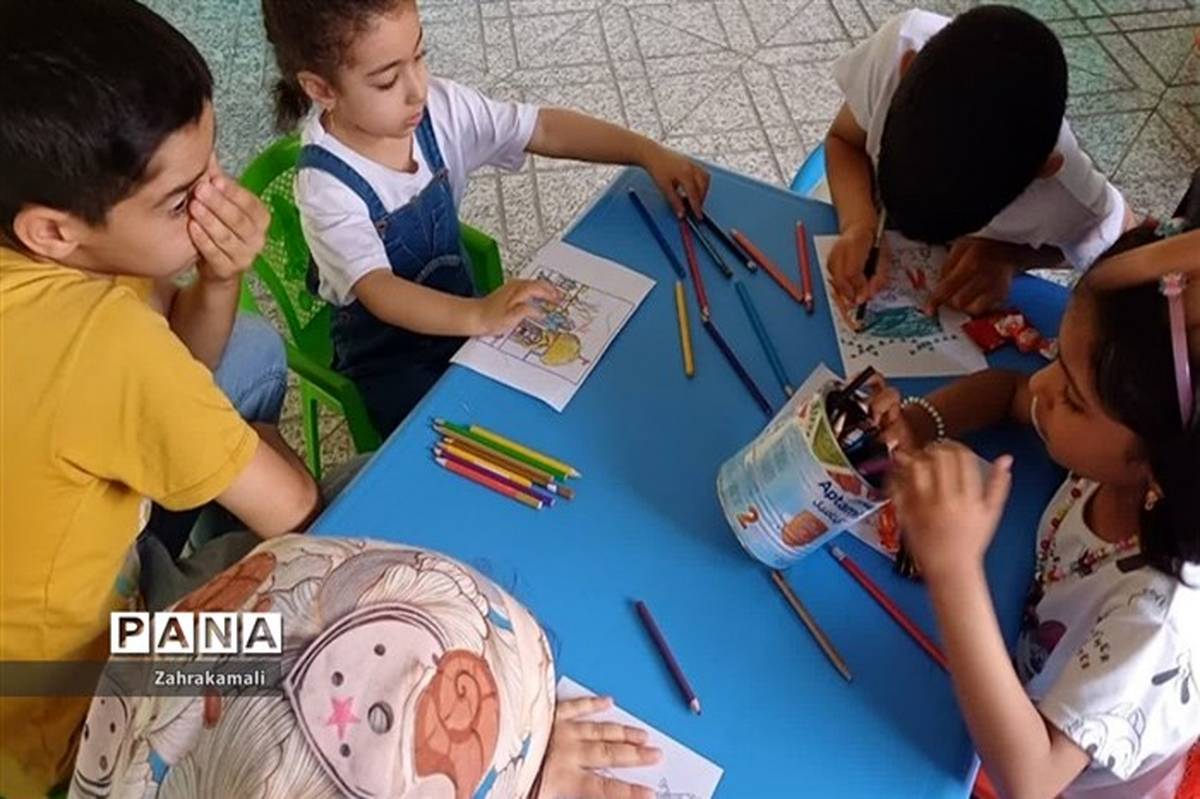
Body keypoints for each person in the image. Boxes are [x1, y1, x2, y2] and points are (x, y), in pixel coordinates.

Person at [0, 1, 321, 792]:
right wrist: (248, 446)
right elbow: (294, 508)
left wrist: (220, 276)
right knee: (310, 652)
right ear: (53, 231)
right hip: (64, 713)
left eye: (212, 168)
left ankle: (188, 517)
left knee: (249, 352)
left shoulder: (40, 231)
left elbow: (179, 361)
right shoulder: (102, 340)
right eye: (182, 201)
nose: (215, 201)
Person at [871, 172, 1200, 798]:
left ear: (1160, 464)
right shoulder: (1121, 453)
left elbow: (1031, 778)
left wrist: (955, 569)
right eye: (1057, 363)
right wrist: (918, 422)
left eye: (1071, 397)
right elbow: (1009, 391)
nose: (1043, 386)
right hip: (1028, 667)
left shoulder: (1154, 620)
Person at [262, 0, 712, 434]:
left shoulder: (438, 109)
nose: (417, 89)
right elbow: (379, 291)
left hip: (464, 315)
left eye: (419, 56)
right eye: (387, 81)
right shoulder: (325, 186)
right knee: (458, 441)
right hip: (390, 359)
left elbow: (541, 128)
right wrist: (478, 315)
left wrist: (643, 151)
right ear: (321, 89)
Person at [825, 5, 1131, 321]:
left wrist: (1011, 257)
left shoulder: (1066, 193)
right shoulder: (900, 44)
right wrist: (858, 223)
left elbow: (1117, 240)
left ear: (1042, 171)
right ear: (906, 67)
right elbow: (843, 141)